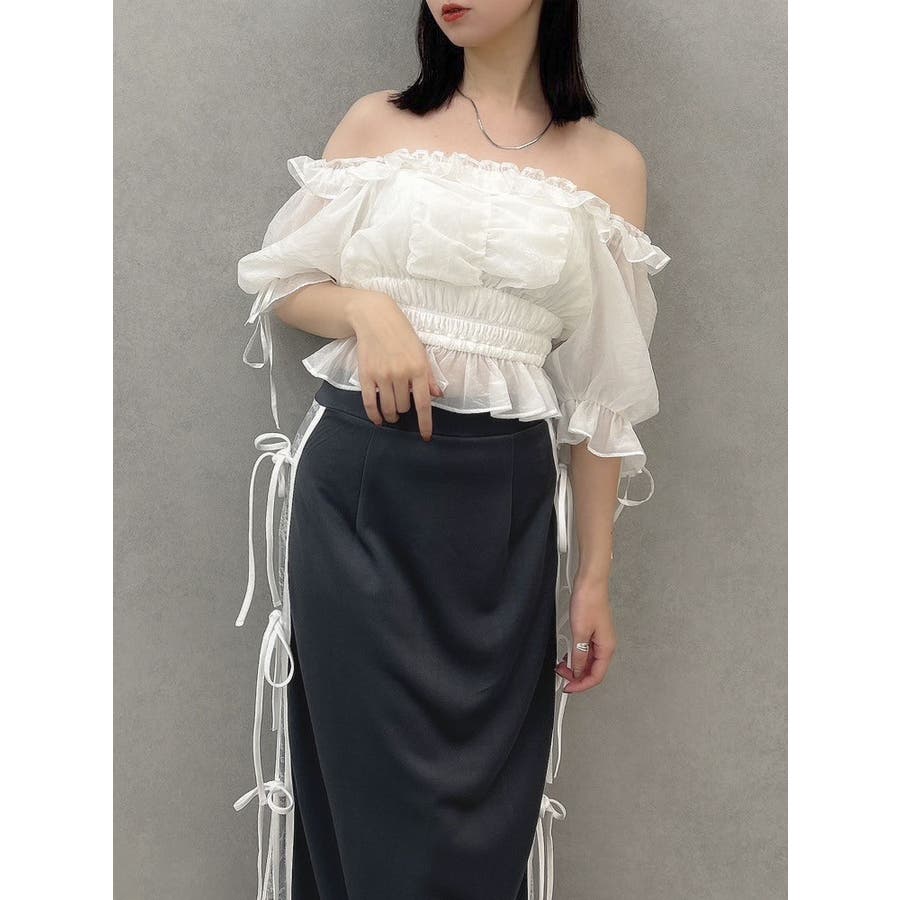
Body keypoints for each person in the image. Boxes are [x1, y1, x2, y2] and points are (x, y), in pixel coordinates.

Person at [231, 2, 669, 898]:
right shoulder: (379, 123)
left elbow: (602, 399)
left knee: (474, 817)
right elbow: (282, 279)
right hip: (358, 491)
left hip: (500, 515)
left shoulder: (610, 166)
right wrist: (365, 309)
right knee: (361, 799)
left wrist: (593, 578)